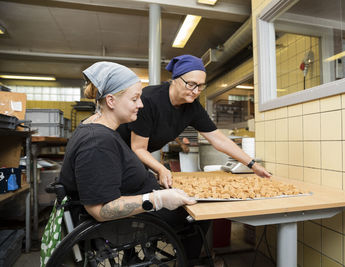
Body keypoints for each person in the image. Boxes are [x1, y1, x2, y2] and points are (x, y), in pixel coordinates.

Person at [58, 61, 207, 264]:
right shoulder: (97, 143)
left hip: (141, 207)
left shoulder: (101, 128)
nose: (141, 104)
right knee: (202, 215)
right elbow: (100, 210)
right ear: (111, 100)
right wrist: (159, 200)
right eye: (135, 99)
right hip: (127, 223)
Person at [117, 55, 272, 188]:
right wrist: (161, 169)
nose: (196, 91)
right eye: (191, 84)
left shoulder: (193, 107)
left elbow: (219, 140)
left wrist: (253, 165)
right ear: (175, 80)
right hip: (117, 153)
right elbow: (138, 148)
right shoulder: (149, 100)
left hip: (136, 158)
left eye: (200, 86)